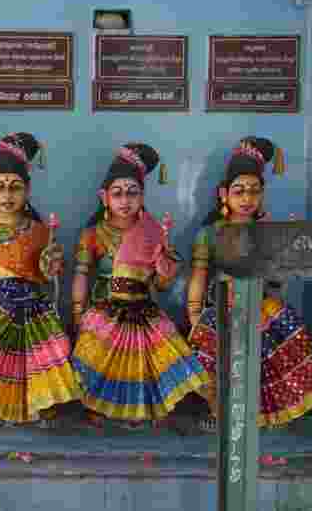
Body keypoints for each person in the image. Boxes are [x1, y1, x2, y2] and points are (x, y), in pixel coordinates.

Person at [186, 136, 312, 430]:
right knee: (213, 362)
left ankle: (263, 413)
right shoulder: (209, 233)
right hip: (221, 309)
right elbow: (198, 277)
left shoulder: (267, 231)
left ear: (262, 194)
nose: (246, 198)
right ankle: (218, 412)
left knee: (270, 360)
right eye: (239, 191)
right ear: (223, 194)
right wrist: (194, 316)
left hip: (261, 305)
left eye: (254, 191)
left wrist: (286, 256)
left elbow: (277, 283)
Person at [70, 143, 209, 426]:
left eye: (132, 193)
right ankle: (99, 406)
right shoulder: (93, 234)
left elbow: (160, 285)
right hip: (104, 308)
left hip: (144, 307)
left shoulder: (154, 232)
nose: (125, 201)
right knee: (98, 362)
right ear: (104, 197)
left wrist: (165, 272)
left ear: (142, 196)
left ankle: (142, 408)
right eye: (117, 193)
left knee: (148, 363)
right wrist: (77, 312)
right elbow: (81, 275)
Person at [0, 132, 81, 427]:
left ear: (27, 191)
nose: (7, 195)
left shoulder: (39, 230)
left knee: (48, 351)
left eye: (15, 187)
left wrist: (52, 265)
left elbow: (48, 276)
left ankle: (38, 402)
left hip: (33, 302)